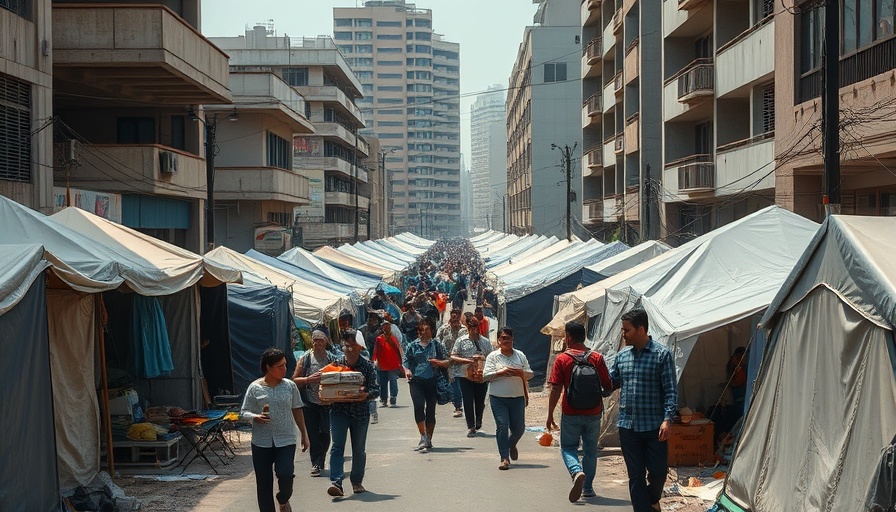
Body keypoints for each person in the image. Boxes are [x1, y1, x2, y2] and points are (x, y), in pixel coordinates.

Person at [607, 309, 677, 512]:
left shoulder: (662, 355)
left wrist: (667, 419)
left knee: (658, 472)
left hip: (654, 426)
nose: (623, 334)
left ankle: (652, 500)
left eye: (626, 330)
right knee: (635, 475)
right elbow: (611, 383)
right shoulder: (622, 356)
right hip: (627, 426)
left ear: (640, 330)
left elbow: (671, 391)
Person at [546, 322, 613, 502]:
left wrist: (550, 414)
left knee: (568, 447)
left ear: (568, 337)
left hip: (571, 412)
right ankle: (588, 488)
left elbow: (555, 388)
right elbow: (608, 384)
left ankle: (576, 471)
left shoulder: (562, 359)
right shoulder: (597, 358)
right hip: (594, 412)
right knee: (591, 450)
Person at [241, 348, 310, 512]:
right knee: (263, 484)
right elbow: (243, 412)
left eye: (285, 365)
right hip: (261, 442)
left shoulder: (290, 386)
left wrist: (304, 434)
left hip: (286, 440)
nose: (284, 369)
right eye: (280, 366)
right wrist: (255, 417)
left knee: (286, 475)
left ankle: (283, 498)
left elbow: (297, 409)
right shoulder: (255, 388)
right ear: (268, 367)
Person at [325, 329, 380, 498]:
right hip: (339, 411)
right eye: (346, 345)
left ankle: (356, 481)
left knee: (359, 449)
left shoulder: (367, 366)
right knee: (337, 446)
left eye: (352, 345)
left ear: (360, 347)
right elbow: (326, 385)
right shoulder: (335, 365)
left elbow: (376, 390)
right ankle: (336, 482)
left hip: (360, 413)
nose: (349, 348)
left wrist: (366, 394)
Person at [484, 328, 533, 470]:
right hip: (498, 398)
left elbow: (530, 374)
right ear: (498, 340)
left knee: (519, 429)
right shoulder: (493, 357)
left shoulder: (520, 355)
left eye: (508, 338)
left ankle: (511, 444)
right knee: (502, 425)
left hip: (517, 397)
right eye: (503, 338)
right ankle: (504, 457)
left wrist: (520, 373)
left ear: (512, 339)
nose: (506, 340)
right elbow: (485, 376)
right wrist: (502, 372)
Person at [291, 329, 337, 477]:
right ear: (312, 342)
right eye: (315, 340)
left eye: (321, 340)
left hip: (328, 402)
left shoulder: (331, 358)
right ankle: (316, 463)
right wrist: (308, 379)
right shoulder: (305, 358)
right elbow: (294, 380)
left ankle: (321, 458)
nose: (318, 343)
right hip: (310, 402)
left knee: (325, 433)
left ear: (326, 341)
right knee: (313, 433)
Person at [402, 316, 451, 452]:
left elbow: (447, 361)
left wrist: (438, 363)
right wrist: (407, 370)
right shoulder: (413, 345)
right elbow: (405, 361)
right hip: (416, 381)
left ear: (432, 330)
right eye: (422, 329)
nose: (425, 332)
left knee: (430, 410)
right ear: (419, 331)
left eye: (428, 329)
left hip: (432, 380)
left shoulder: (436, 345)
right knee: (418, 407)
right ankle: (423, 436)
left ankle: (429, 438)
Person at [451, 315, 493, 437]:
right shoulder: (461, 341)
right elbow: (453, 355)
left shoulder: (485, 342)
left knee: (480, 400)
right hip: (465, 375)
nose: (474, 330)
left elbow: (491, 356)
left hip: (481, 375)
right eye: (471, 328)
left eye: (476, 327)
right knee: (467, 400)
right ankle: (470, 426)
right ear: (467, 328)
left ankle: (478, 419)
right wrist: (467, 360)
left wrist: (482, 360)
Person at [436, 307, 468, 418]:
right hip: (446, 360)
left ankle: (458, 406)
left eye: (457, 315)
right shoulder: (443, 329)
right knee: (450, 382)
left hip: (459, 361)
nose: (455, 317)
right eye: (453, 315)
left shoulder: (464, 330)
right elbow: (437, 341)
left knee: (457, 383)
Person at [372, 321, 404, 408]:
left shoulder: (393, 338)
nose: (386, 328)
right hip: (382, 365)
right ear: (382, 328)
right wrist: (374, 361)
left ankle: (393, 398)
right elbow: (376, 350)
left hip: (393, 364)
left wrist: (400, 362)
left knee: (393, 381)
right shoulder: (379, 339)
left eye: (388, 326)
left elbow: (398, 350)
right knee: (383, 383)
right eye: (384, 326)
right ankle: (384, 399)